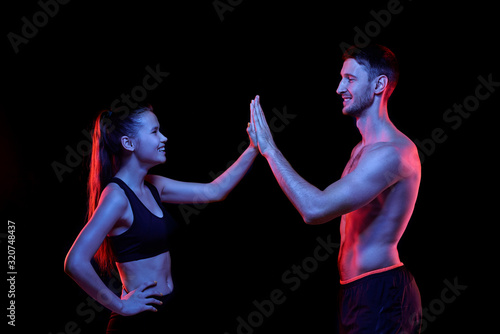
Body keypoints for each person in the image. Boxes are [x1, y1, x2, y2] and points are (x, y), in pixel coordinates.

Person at [248, 45, 422, 333]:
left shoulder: (393, 153)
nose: (339, 87)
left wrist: (269, 149)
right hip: (356, 291)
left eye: (350, 79)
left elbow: (315, 209)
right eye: (341, 78)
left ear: (379, 85)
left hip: (382, 292)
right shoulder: (361, 150)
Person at [64, 105, 258, 333]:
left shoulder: (154, 185)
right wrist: (120, 306)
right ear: (129, 143)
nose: (164, 138)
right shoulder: (117, 197)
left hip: (169, 310)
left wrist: (254, 147)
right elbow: (74, 262)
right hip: (140, 323)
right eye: (154, 132)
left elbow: (215, 191)